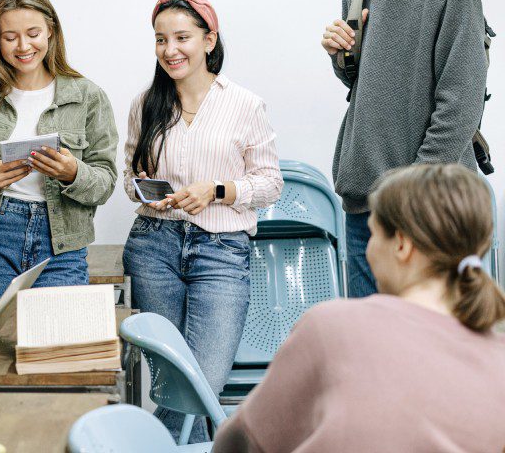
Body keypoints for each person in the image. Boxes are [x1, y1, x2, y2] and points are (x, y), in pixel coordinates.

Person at [212, 164, 505, 453]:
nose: (368, 249)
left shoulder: (332, 326)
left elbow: (240, 442)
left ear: (401, 245)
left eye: (373, 234)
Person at [320, 0, 488, 297]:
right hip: (364, 211)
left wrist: (408, 196)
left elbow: (460, 107)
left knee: (433, 355)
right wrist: (343, 58)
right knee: (368, 355)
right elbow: (368, 88)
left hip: (428, 213)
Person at [123, 0, 283, 443]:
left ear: (209, 40)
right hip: (153, 247)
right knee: (171, 382)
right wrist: (144, 191)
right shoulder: (146, 104)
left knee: (200, 384)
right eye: (160, 39)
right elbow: (128, 177)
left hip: (222, 252)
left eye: (181, 38)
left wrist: (217, 190)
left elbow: (270, 183)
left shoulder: (245, 104)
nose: (169, 50)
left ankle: (148, 445)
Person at [0, 0, 118, 309]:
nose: (23, 46)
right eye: (10, 37)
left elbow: (105, 184)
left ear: (51, 30)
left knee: (54, 351)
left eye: (33, 33)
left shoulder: (88, 97)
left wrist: (73, 172)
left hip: (62, 245)